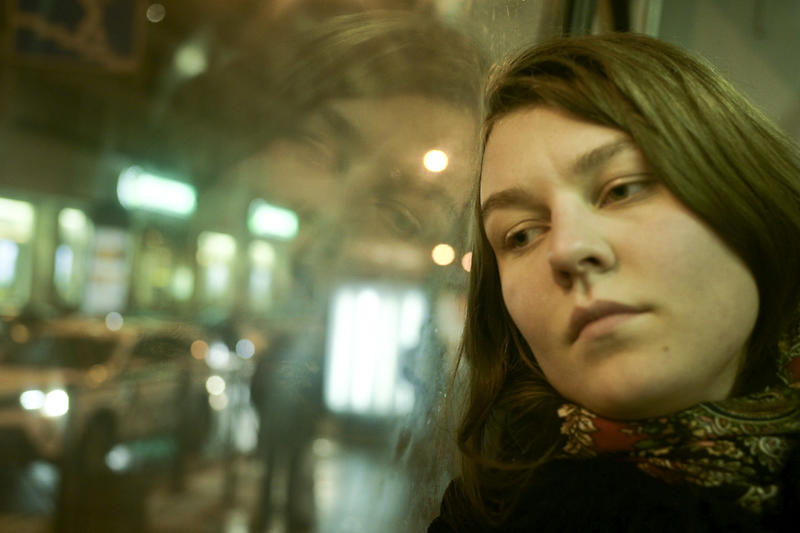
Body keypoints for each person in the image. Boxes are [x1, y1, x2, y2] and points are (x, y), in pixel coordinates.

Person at [429, 32, 800, 532]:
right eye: (522, 235)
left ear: (745, 194)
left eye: (621, 190)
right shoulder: (483, 515)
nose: (567, 250)